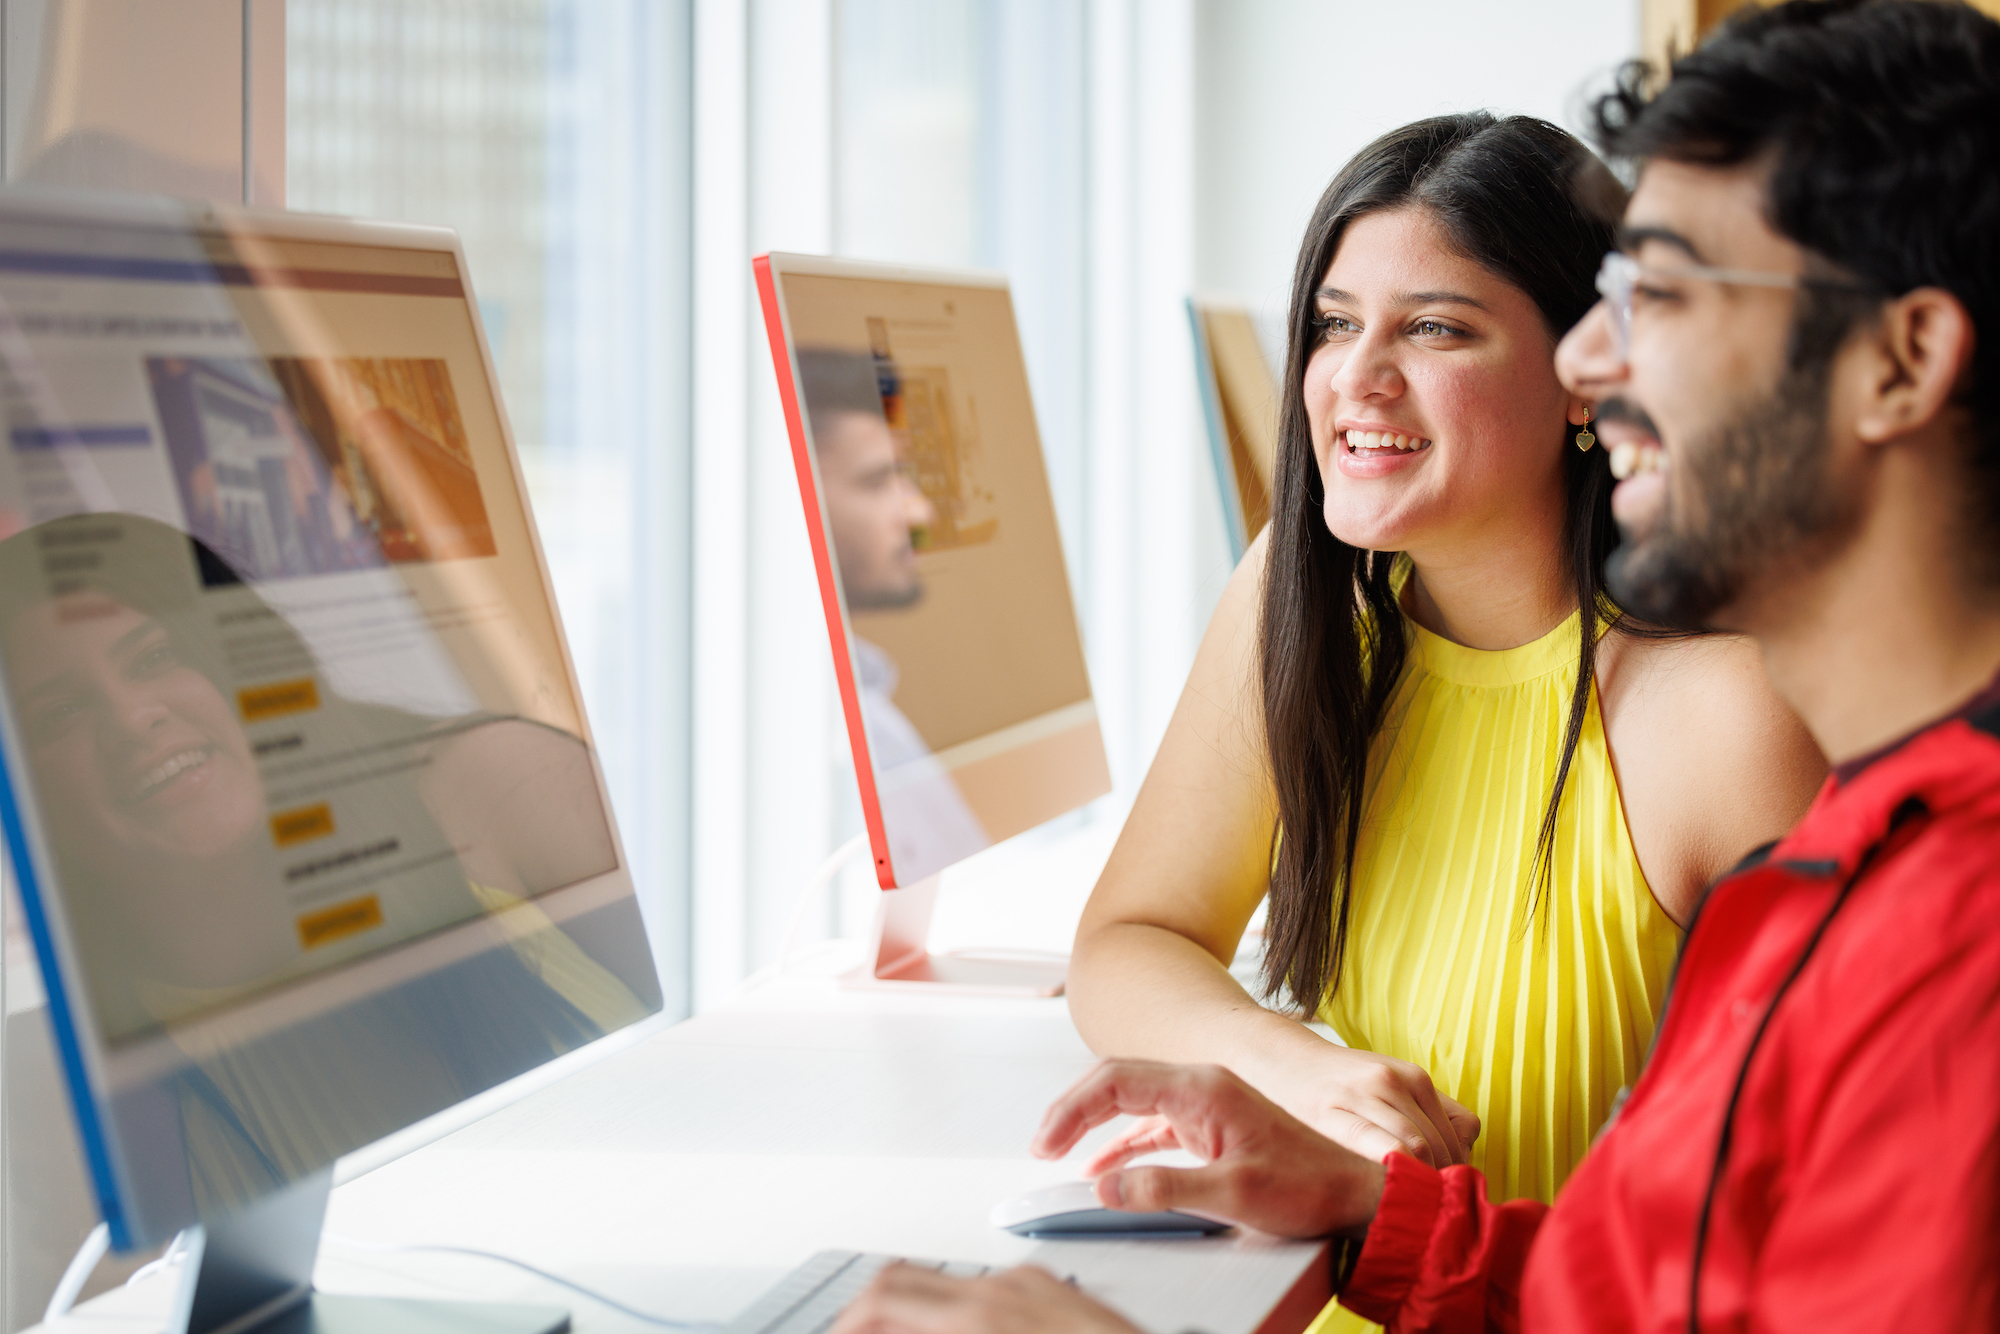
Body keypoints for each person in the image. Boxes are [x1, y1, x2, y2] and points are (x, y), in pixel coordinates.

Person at [830, 1, 2000, 1330]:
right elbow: (1659, 1290)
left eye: (1661, 294)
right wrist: (1373, 1211)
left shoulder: (1942, 921)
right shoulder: (1854, 852)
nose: (1594, 359)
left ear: (1901, 361)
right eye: (1335, 325)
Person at [1063, 107, 1823, 1332]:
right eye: (1331, 324)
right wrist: (1300, 1070)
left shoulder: (1717, 710)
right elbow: (1126, 937)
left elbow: (1807, 1231)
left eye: (1432, 327)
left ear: (1589, 373)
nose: (1355, 377)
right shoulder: (1303, 606)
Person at [795, 347, 990, 877]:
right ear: (791, 490)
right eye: (879, 481)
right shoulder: (811, 743)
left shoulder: (871, 708)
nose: (920, 513)